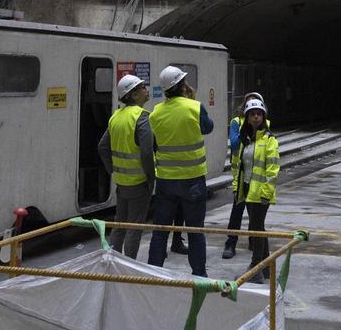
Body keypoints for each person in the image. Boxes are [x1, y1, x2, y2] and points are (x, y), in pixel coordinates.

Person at [146, 65, 214, 276]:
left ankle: (154, 273)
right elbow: (208, 127)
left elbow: (154, 144)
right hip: (193, 180)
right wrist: (193, 99)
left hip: (166, 180)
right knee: (195, 231)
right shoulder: (194, 107)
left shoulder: (155, 113)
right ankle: (199, 275)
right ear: (183, 85)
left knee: (161, 230)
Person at [97, 74, 154, 258]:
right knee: (134, 228)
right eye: (142, 87)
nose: (146, 90)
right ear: (133, 94)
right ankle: (129, 267)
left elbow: (102, 147)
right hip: (139, 182)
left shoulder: (116, 117)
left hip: (121, 182)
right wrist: (150, 177)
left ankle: (113, 261)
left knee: (120, 224)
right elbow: (146, 152)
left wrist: (113, 170)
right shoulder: (142, 117)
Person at [230, 98, 279, 284]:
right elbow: (238, 166)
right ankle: (265, 268)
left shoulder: (269, 140)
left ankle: (255, 268)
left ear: (263, 116)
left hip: (261, 193)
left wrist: (266, 192)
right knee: (258, 228)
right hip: (247, 190)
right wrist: (237, 188)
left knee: (256, 228)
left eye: (259, 114)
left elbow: (272, 169)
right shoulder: (245, 139)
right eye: (252, 114)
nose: (256, 117)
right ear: (247, 117)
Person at [223, 91, 265, 259]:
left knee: (255, 212)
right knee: (237, 209)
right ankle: (230, 243)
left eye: (257, 109)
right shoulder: (236, 122)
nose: (254, 114)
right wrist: (245, 129)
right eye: (249, 106)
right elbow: (234, 144)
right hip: (240, 175)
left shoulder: (264, 124)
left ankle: (253, 241)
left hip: (256, 176)